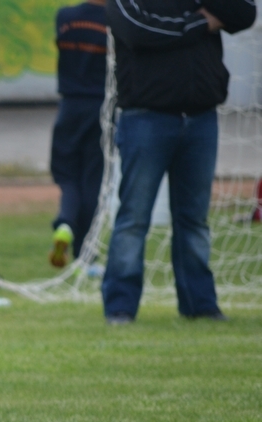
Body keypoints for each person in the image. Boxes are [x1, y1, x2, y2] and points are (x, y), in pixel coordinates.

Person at [102, 0, 257, 324]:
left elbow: (244, 13)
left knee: (194, 220)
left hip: (201, 117)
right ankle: (120, 307)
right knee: (134, 217)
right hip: (146, 117)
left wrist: (181, 25)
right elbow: (138, 32)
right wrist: (199, 24)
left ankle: (200, 304)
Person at [48, 0, 107, 269]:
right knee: (92, 180)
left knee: (67, 176)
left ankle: (65, 223)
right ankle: (87, 255)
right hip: (100, 108)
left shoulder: (65, 17)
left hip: (69, 107)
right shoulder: (112, 23)